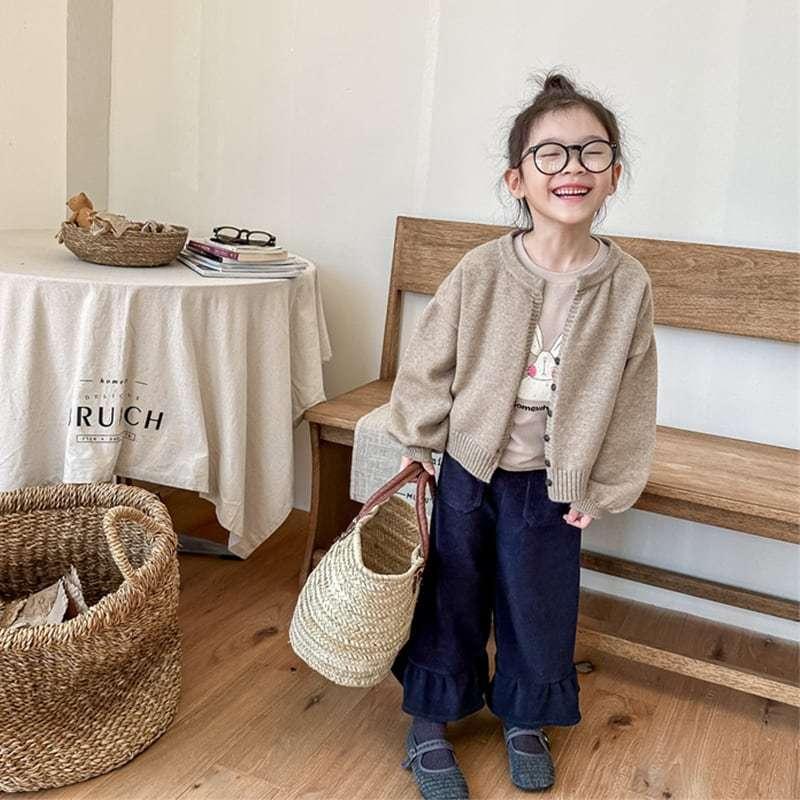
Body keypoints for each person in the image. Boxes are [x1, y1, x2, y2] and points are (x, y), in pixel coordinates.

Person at [387, 69, 658, 800]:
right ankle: (428, 721)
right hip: (467, 471)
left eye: (592, 152)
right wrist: (421, 445)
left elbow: (634, 394)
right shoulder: (481, 270)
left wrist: (604, 487)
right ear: (518, 179)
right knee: (451, 593)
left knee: (539, 604)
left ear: (614, 175)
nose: (573, 167)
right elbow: (429, 360)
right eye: (551, 154)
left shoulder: (628, 284)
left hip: (553, 485)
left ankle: (525, 715)